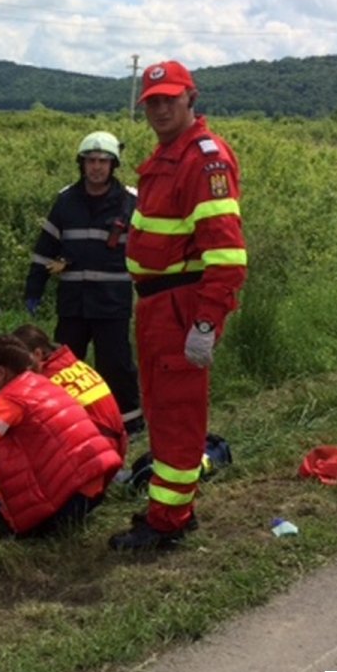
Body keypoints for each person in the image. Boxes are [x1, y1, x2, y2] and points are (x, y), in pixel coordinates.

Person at [108, 60, 247, 553]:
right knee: (163, 412)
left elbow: (227, 256)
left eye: (170, 98)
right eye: (152, 102)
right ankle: (167, 509)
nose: (160, 108)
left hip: (181, 306)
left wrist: (207, 322)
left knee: (178, 416)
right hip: (156, 306)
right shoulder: (168, 154)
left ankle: (169, 522)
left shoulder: (203, 158)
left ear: (191, 97)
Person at [0, 335, 123, 547]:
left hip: (71, 498)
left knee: (12, 532)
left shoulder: (7, 401)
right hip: (95, 484)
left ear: (1, 372)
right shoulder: (43, 383)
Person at [24, 131, 143, 435]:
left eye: (103, 161)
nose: (97, 167)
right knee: (65, 365)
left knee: (116, 366)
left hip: (112, 303)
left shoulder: (130, 202)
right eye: (91, 160)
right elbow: (45, 248)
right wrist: (34, 289)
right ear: (82, 163)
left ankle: (129, 425)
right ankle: (65, 422)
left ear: (113, 165)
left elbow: (146, 250)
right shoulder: (66, 201)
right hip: (73, 303)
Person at [12, 323, 129, 460]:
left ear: (37, 354)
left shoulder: (46, 381)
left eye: (18, 362)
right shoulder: (71, 363)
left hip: (96, 453)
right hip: (115, 444)